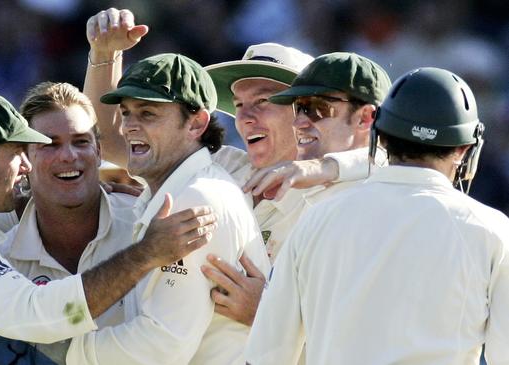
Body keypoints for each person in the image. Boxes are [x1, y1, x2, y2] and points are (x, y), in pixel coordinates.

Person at [83, 7, 391, 327]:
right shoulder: (224, 167)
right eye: (239, 105)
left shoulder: (348, 191)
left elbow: (362, 332)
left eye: (263, 102)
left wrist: (269, 315)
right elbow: (114, 144)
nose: (244, 118)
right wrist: (105, 55)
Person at [0, 87, 217, 364]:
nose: (26, 166)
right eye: (18, 152)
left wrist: (117, 189)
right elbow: (40, 312)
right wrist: (145, 254)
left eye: (81, 142)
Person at [246, 68, 509, 364]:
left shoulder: (318, 218)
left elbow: (267, 355)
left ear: (380, 136)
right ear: (464, 150)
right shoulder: (493, 230)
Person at [73, 52, 270, 364]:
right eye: (126, 114)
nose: (128, 128)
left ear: (196, 123)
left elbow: (163, 344)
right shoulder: (180, 189)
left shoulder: (196, 198)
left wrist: (60, 351)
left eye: (148, 114)